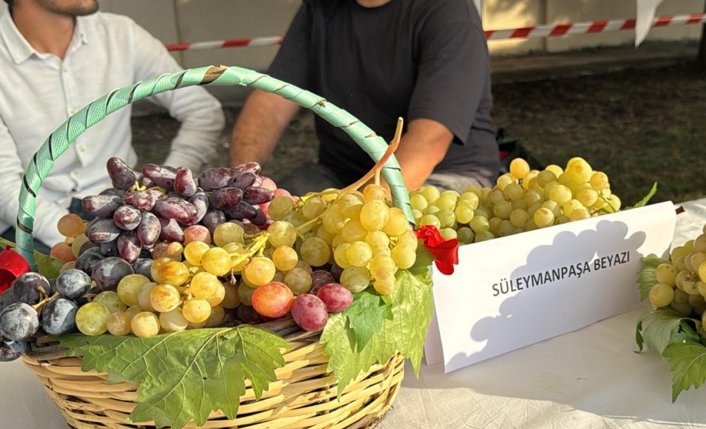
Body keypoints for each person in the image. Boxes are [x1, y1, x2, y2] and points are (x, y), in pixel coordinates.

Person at [0, 0, 224, 249]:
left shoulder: (121, 34)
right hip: (30, 227)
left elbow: (202, 110)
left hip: (127, 212)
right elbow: (4, 185)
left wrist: (169, 183)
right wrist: (82, 244)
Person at [229, 0, 500, 195]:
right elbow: (271, 100)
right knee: (275, 224)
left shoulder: (449, 12)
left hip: (442, 174)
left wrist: (359, 213)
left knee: (383, 250)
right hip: (342, 174)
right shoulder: (320, 7)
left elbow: (429, 139)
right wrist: (241, 181)